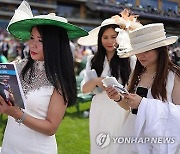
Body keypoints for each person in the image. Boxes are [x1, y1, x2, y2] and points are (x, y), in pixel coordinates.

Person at [0, 1, 88, 154]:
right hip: (10, 144)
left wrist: (16, 114)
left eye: (40, 40)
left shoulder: (60, 79)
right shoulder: (18, 67)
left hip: (36, 149)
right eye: (32, 38)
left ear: (54, 45)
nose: (32, 44)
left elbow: (51, 128)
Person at [106, 23, 180, 154]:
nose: (141, 56)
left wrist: (144, 104)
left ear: (159, 50)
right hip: (131, 133)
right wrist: (118, 98)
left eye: (146, 51)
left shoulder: (173, 76)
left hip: (159, 139)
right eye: (137, 51)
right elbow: (129, 107)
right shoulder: (137, 73)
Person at [79, 9, 142, 154]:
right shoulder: (92, 60)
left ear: (120, 37)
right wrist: (97, 80)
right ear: (100, 39)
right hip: (99, 107)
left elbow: (134, 88)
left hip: (121, 107)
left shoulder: (130, 59)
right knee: (99, 144)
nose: (109, 41)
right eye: (105, 37)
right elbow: (84, 89)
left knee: (118, 146)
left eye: (113, 36)